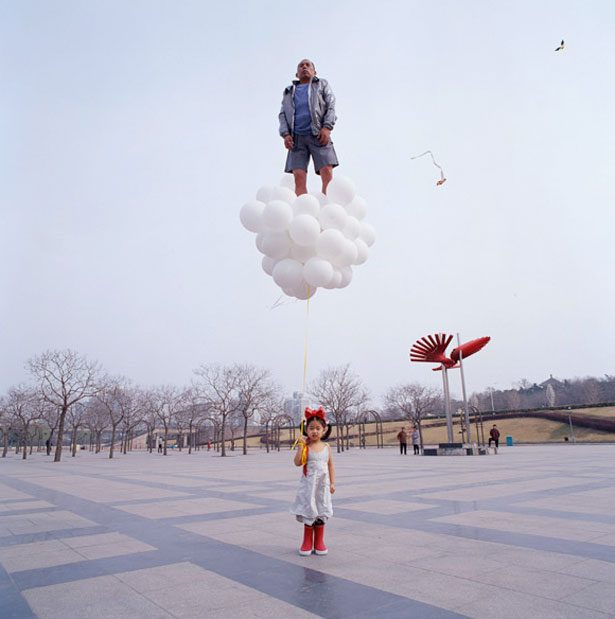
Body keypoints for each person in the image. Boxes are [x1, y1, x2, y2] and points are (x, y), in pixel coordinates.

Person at [279, 59, 338, 196]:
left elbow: (331, 105)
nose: (304, 67)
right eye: (301, 66)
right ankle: (302, 206)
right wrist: (286, 134)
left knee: (326, 171)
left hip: (318, 134)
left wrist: (327, 127)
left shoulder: (321, 84)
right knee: (298, 177)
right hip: (296, 139)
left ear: (314, 72)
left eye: (308, 65)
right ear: (297, 73)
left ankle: (327, 204)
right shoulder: (288, 91)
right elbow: (282, 114)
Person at [290, 407, 335, 556]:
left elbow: (330, 465)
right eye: (311, 428)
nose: (314, 431)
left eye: (318, 428)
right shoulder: (306, 447)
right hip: (309, 486)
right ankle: (307, 541)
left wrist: (332, 483)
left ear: (324, 430)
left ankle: (319, 542)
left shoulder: (327, 447)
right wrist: (300, 447)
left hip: (322, 486)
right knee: (309, 510)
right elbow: (297, 463)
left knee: (321, 508)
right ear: (306, 430)